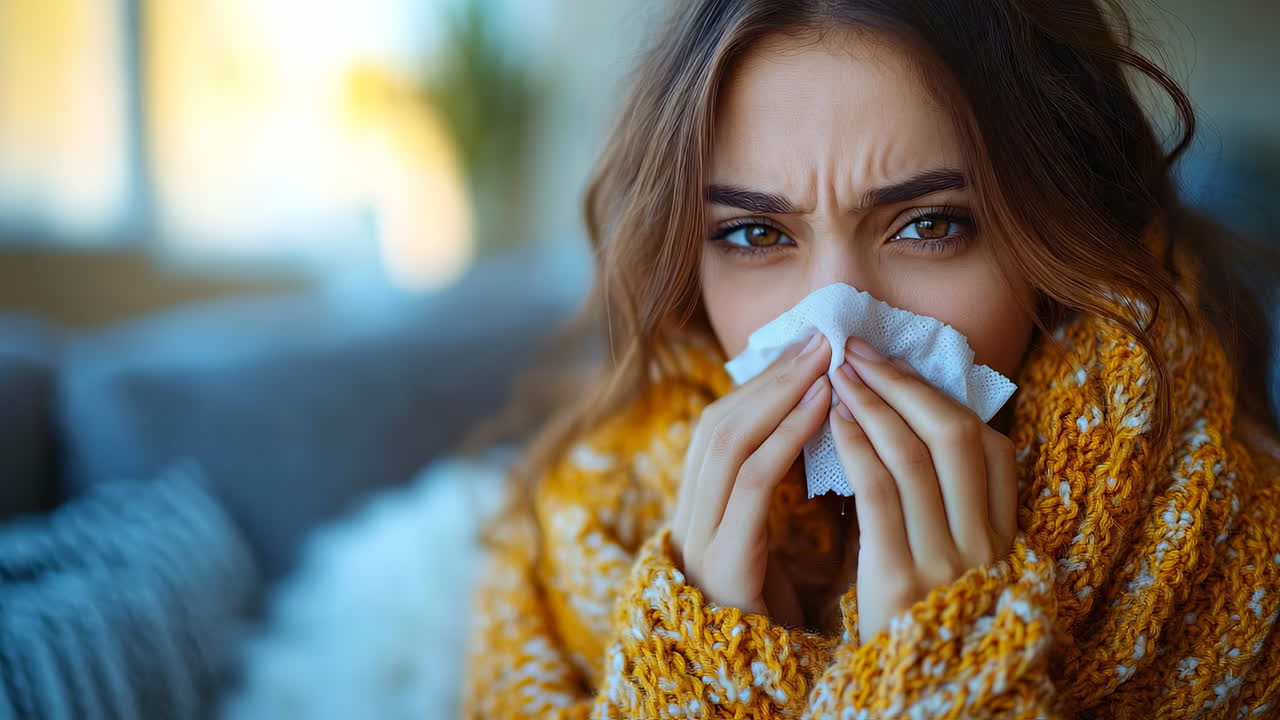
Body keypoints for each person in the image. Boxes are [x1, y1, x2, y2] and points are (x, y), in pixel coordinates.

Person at [458, 1, 1280, 717]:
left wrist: (942, 670)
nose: (839, 323)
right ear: (683, 260)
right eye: (755, 234)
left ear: (1064, 236)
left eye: (930, 225)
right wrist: (695, 666)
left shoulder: (1248, 582)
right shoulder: (561, 546)